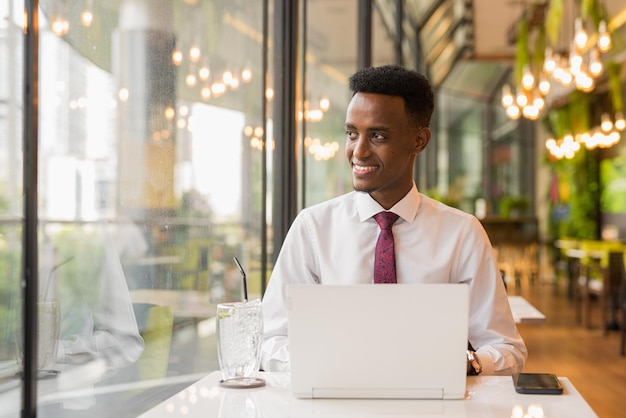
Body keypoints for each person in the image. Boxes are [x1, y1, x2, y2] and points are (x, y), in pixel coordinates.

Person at [260, 65, 527, 375]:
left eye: (377, 135)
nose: (358, 152)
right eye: (351, 134)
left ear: (419, 141)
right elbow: (269, 339)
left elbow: (507, 348)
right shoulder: (312, 229)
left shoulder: (462, 233)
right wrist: (321, 365)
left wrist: (467, 363)